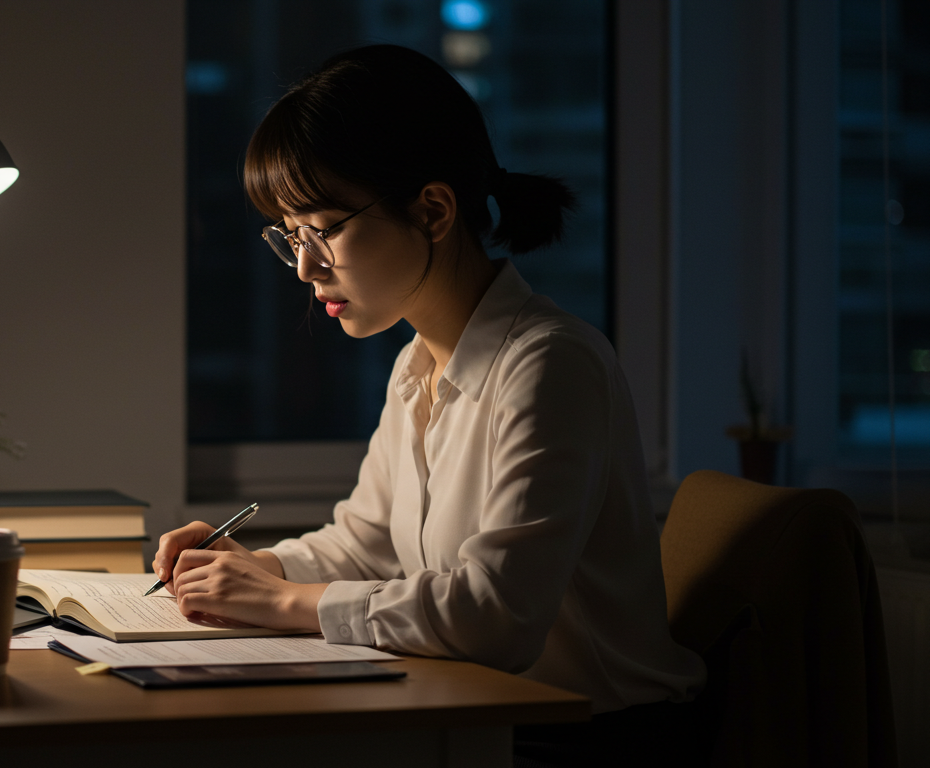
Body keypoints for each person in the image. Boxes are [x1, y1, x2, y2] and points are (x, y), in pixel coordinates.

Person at [153, 45, 706, 766]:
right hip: (472, 710)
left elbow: (495, 618)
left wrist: (280, 603)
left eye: (323, 230)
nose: (304, 267)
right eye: (290, 237)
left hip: (584, 737)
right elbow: (364, 545)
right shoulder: (417, 365)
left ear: (434, 210)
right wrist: (259, 569)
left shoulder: (549, 364)